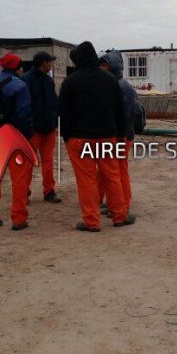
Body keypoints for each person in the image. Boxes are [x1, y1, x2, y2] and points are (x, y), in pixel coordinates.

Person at [58, 41, 133, 232]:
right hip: (107, 137)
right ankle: (120, 216)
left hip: (79, 139)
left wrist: (66, 137)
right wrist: (122, 135)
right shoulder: (110, 80)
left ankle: (92, 221)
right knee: (112, 176)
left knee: (87, 181)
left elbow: (63, 113)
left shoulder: (70, 82)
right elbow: (119, 112)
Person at [0, 53, 34, 232]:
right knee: (19, 179)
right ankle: (18, 218)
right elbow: (24, 114)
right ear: (17, 67)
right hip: (15, 138)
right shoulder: (20, 86)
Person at [99, 50, 138, 214]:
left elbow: (126, 116)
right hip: (116, 136)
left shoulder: (121, 87)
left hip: (120, 137)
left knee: (119, 171)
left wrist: (120, 137)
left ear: (108, 66)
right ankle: (115, 202)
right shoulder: (116, 85)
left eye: (102, 64)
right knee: (111, 172)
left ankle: (123, 204)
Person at [23, 51, 61, 204]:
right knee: (29, 162)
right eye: (50, 62)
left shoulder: (48, 80)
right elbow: (24, 105)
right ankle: (24, 192)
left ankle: (49, 191)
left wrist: (55, 119)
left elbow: (53, 101)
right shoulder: (26, 80)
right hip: (34, 129)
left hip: (48, 127)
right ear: (43, 63)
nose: (51, 65)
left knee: (48, 161)